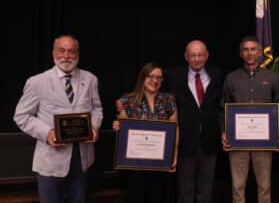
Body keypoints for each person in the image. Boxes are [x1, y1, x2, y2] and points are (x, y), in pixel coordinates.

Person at [13, 35, 103, 203]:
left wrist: (95, 127)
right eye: (61, 50)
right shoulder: (37, 82)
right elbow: (21, 116)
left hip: (82, 158)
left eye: (71, 51)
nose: (66, 56)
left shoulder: (90, 79)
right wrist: (47, 133)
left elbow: (96, 109)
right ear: (53, 53)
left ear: (78, 54)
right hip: (50, 159)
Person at [221, 35, 279, 203]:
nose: (249, 53)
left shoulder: (272, 77)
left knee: (264, 188)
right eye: (245, 49)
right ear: (241, 53)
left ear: (260, 53)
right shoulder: (231, 78)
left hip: (263, 142)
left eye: (253, 49)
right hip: (237, 142)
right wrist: (223, 131)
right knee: (237, 188)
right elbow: (224, 108)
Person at [164, 40, 224, 203]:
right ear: (186, 56)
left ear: (207, 56)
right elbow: (159, 99)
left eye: (200, 55)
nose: (197, 59)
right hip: (184, 142)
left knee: (206, 191)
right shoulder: (173, 76)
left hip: (209, 142)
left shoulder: (217, 75)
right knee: (185, 191)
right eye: (193, 55)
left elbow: (222, 106)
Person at [112, 62, 178, 203]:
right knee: (137, 196)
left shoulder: (168, 99)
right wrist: (119, 126)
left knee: (159, 197)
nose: (155, 81)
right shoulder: (126, 101)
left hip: (160, 161)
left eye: (159, 78)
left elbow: (175, 129)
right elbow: (123, 130)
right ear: (142, 77)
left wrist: (174, 154)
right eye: (151, 76)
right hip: (136, 163)